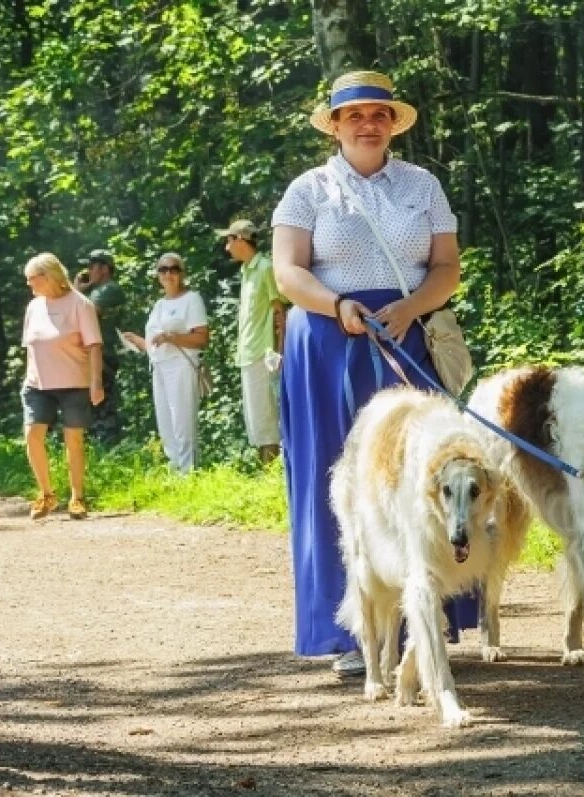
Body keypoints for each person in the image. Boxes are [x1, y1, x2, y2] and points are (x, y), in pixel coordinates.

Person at [271, 70, 477, 676]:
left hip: (405, 339)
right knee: (338, 482)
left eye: (379, 114)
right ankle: (350, 633)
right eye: (354, 114)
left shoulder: (424, 185)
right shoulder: (307, 190)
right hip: (327, 341)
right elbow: (287, 272)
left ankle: (429, 623)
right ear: (334, 124)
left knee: (424, 474)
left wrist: (411, 307)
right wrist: (337, 306)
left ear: (394, 122)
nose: (368, 123)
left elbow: (445, 267)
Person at [21, 252, 105, 520]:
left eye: (32, 279)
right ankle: (46, 494)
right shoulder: (34, 306)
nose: (29, 285)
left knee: (74, 439)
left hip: (74, 383)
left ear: (48, 277)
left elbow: (94, 346)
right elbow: (30, 347)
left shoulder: (80, 304)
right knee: (33, 434)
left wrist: (96, 383)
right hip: (37, 383)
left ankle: (77, 497)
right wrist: (29, 378)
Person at [121, 253, 210, 474]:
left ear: (182, 273)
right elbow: (154, 344)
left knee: (182, 421)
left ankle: (188, 473)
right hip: (159, 366)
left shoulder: (191, 299)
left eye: (174, 269)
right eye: (163, 270)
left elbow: (202, 338)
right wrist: (137, 341)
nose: (168, 274)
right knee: (166, 423)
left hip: (181, 365)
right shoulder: (159, 305)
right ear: (158, 275)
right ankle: (174, 469)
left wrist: (172, 338)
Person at [216, 219, 285, 465]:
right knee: (255, 417)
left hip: (263, 353)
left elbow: (280, 311)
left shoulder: (265, 268)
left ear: (241, 240)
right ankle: (264, 470)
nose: (227, 247)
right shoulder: (246, 271)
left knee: (266, 416)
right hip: (247, 353)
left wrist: (279, 352)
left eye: (229, 240)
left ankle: (271, 471)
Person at [74, 249, 126, 444]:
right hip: (92, 357)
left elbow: (85, 314)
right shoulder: (93, 292)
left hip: (103, 358)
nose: (87, 271)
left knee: (103, 409)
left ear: (104, 269)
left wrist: (76, 292)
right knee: (90, 410)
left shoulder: (109, 289)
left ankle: (109, 451)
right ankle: (96, 452)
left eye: (91, 266)